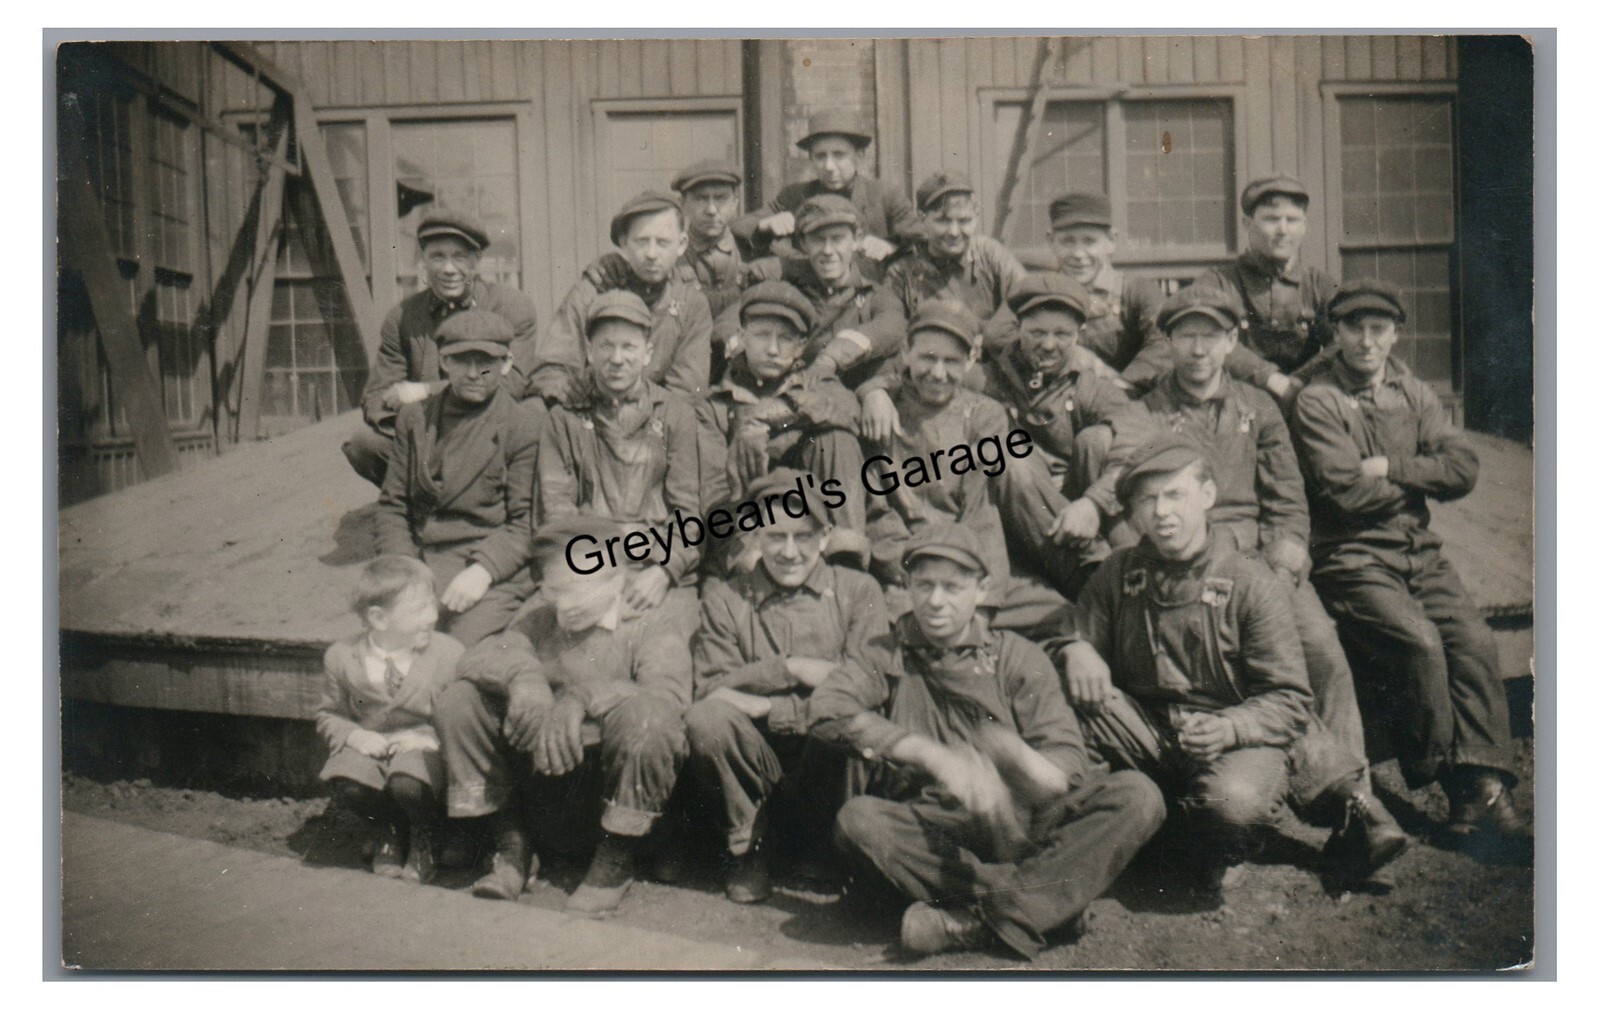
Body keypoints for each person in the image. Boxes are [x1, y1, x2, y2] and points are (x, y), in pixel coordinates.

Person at [1060, 434, 1407, 893]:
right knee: (1066, 703)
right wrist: (1077, 648)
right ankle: (1152, 830)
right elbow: (1077, 636)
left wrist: (1229, 729)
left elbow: (1289, 699)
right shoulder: (1119, 572)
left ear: (1207, 495)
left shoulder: (1249, 580)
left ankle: (1225, 842)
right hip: (1148, 730)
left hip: (1230, 738)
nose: (1161, 512)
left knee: (1234, 805)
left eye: (1175, 495)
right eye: (1147, 500)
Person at [1140, 285, 1406, 875]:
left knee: (1323, 653)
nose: (1199, 349)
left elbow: (1287, 500)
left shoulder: (1257, 408)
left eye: (1211, 336)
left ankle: (1355, 816)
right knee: (1240, 667)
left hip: (1262, 560)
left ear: (1232, 342)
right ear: (1169, 343)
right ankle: (1335, 800)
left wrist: (1284, 564)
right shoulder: (1148, 411)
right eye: (1186, 336)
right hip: (1191, 562)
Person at [812, 522, 1166, 959]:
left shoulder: (1015, 655)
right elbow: (826, 709)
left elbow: (1068, 759)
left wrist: (1019, 768)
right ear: (907, 587)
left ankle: (973, 921)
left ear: (981, 590)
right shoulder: (885, 654)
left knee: (1137, 794)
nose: (935, 601)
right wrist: (930, 755)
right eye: (924, 585)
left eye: (952, 587)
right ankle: (1047, 903)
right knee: (859, 821)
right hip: (935, 829)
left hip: (1023, 822)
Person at [1291, 279, 1525, 840]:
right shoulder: (1317, 399)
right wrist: (1421, 476)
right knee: (1418, 642)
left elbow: (1463, 468)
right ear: (1336, 332)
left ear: (1395, 334)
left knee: (1474, 641)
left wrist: (1390, 468)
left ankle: (1486, 787)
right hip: (1351, 555)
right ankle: (1455, 782)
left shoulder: (1413, 391)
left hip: (1418, 549)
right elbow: (1345, 493)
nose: (1367, 341)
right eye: (1354, 328)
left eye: (1379, 329)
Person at [435, 515, 692, 917]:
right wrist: (524, 679)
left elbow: (668, 696)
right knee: (461, 699)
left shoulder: (653, 624)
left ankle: (616, 859)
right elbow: (481, 656)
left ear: (618, 579)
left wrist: (581, 699)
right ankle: (511, 843)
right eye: (554, 590)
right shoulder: (539, 617)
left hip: (607, 789)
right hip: (543, 790)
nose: (564, 606)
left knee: (650, 718)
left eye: (578, 590)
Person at [684, 468, 891, 903]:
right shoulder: (726, 598)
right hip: (754, 762)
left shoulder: (859, 590)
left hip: (826, 759)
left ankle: (826, 847)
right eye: (776, 536)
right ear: (755, 536)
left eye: (803, 536)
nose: (790, 552)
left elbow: (869, 681)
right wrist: (792, 669)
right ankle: (750, 846)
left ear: (826, 536)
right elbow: (713, 688)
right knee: (708, 720)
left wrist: (771, 707)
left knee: (849, 719)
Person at [857, 300, 1074, 636]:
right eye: (927, 358)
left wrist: (981, 600)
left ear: (971, 360)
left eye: (951, 361)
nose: (937, 373)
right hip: (911, 570)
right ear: (906, 352)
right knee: (896, 629)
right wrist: (917, 572)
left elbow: (981, 515)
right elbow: (878, 516)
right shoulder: (882, 412)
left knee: (1062, 616)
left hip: (969, 566)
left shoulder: (983, 415)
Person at [373, 310, 541, 648]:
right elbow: (393, 505)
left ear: (507, 364)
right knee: (388, 641)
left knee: (452, 651)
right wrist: (406, 570)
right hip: (422, 562)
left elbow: (524, 524)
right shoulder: (416, 417)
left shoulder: (522, 426)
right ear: (444, 362)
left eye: (486, 362)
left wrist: (484, 570)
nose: (474, 373)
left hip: (488, 569)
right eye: (462, 361)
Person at [975, 272, 1151, 593]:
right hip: (1021, 511)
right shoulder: (991, 376)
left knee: (1097, 441)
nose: (1048, 345)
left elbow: (1138, 433)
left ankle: (1119, 564)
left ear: (1079, 334)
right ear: (1018, 328)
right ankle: (1094, 578)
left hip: (1080, 503)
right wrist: (879, 390)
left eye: (1062, 334)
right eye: (1037, 333)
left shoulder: (1089, 377)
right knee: (1010, 459)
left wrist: (1093, 504)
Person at [343, 210, 539, 487]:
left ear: (476, 260)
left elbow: (511, 384)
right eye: (437, 257)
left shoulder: (512, 307)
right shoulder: (402, 317)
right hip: (426, 438)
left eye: (459, 257)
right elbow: (376, 396)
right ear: (423, 259)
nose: (448, 269)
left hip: (487, 434)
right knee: (364, 443)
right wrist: (420, 432)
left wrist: (425, 391)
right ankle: (426, 500)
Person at [538, 290, 701, 618]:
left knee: (666, 641)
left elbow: (687, 513)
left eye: (628, 347)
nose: (617, 358)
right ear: (589, 351)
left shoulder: (674, 414)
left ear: (647, 353)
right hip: (587, 563)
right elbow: (557, 511)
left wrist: (665, 570)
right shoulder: (564, 418)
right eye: (606, 346)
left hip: (654, 564)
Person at [696, 281, 870, 564]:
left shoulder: (816, 383)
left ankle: (844, 556)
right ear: (741, 336)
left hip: (816, 526)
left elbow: (849, 409)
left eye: (786, 338)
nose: (773, 349)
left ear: (801, 346)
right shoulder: (714, 407)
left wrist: (767, 418)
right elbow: (715, 494)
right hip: (750, 532)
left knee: (835, 438)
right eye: (762, 335)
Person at [315, 555, 464, 885]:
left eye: (432, 605)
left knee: (408, 783)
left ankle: (426, 833)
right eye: (418, 610)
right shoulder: (342, 657)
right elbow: (329, 714)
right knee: (350, 780)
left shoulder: (449, 654)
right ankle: (388, 828)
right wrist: (355, 736)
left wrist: (429, 738)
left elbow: (461, 715)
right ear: (379, 619)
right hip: (374, 744)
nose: (432, 617)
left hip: (425, 748)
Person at [533, 191, 712, 405]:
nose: (651, 253)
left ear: (681, 244)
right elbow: (551, 371)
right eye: (642, 241)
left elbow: (686, 391)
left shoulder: (691, 305)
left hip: (659, 417)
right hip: (593, 410)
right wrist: (569, 390)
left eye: (663, 242)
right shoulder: (593, 291)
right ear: (624, 242)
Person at [738, 194, 909, 391]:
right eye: (818, 240)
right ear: (804, 244)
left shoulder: (876, 296)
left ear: (856, 240)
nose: (828, 250)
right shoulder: (785, 279)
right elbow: (736, 308)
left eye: (837, 239)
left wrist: (831, 357)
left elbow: (892, 326)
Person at [1197, 176, 1338, 404]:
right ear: (1247, 223)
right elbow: (1210, 338)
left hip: (1304, 401)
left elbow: (1342, 341)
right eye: (1271, 219)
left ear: (1304, 226)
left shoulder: (1320, 284)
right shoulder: (1217, 282)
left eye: (1292, 220)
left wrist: (1301, 379)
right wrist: (1270, 378)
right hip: (1234, 402)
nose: (1283, 230)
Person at [730, 108, 918, 271]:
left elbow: (920, 236)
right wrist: (765, 225)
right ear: (811, 159)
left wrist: (890, 246)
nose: (829, 166)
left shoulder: (884, 196)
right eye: (820, 156)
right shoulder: (794, 196)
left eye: (839, 155)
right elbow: (738, 227)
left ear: (859, 156)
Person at [1031, 192, 1167, 391]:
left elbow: (1164, 344)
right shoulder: (1038, 292)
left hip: (1129, 398)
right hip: (1057, 400)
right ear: (1051, 241)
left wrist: (1117, 384)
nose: (1078, 254)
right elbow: (999, 337)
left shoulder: (1137, 291)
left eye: (1089, 241)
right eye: (1067, 241)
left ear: (1111, 241)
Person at [878, 171, 1028, 349]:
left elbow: (1027, 297)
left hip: (988, 356)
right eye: (943, 221)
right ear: (922, 217)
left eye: (964, 221)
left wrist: (989, 339)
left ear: (976, 215)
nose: (954, 232)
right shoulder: (902, 272)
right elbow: (892, 327)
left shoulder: (990, 254)